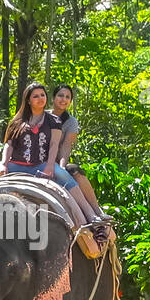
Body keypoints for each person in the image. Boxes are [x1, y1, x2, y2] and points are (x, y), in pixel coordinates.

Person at [0, 82, 101, 229]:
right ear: (28, 100)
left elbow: (55, 144)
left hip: (41, 165)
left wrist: (51, 166)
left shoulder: (54, 120)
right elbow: (9, 144)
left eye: (42, 95)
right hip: (17, 165)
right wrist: (3, 164)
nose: (40, 98)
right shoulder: (17, 121)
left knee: (66, 176)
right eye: (35, 96)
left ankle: (92, 215)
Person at [50, 84, 113, 249]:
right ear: (53, 98)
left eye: (67, 97)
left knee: (75, 171)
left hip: (57, 162)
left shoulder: (70, 122)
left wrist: (61, 167)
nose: (63, 100)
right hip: (38, 161)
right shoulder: (42, 116)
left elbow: (66, 146)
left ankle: (96, 212)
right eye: (60, 96)